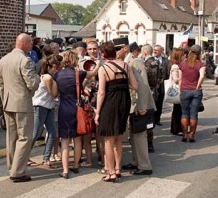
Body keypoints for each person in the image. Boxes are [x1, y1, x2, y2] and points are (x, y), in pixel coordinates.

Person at [0, 33, 40, 183]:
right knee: (24, 137)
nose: (31, 47)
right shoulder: (25, 60)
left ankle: (12, 167)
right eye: (30, 44)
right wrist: (38, 78)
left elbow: (0, 83)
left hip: (8, 102)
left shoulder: (3, 59)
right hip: (22, 103)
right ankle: (18, 171)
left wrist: (4, 100)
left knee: (11, 137)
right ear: (25, 44)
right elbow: (32, 84)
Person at [95, 41, 138, 182]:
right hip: (124, 101)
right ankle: (118, 168)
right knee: (119, 136)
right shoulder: (125, 65)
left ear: (103, 54)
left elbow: (101, 93)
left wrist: (97, 112)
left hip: (110, 103)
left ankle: (111, 172)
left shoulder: (103, 68)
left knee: (108, 139)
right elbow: (135, 86)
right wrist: (122, 86)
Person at [54, 51, 98, 179]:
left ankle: (65, 169)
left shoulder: (58, 75)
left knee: (65, 140)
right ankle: (75, 166)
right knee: (77, 139)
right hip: (77, 108)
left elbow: (55, 93)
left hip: (63, 108)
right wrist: (98, 62)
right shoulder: (79, 74)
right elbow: (93, 73)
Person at [123, 43, 155, 176]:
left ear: (124, 48)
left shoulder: (136, 62)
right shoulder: (128, 61)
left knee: (140, 135)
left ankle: (145, 165)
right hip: (133, 105)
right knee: (134, 135)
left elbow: (143, 84)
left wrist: (142, 105)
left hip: (139, 105)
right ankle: (137, 162)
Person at [30, 55, 60, 168]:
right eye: (55, 67)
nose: (56, 70)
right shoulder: (47, 77)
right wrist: (57, 83)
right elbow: (54, 94)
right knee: (36, 133)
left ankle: (46, 158)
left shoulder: (47, 76)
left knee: (52, 132)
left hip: (49, 106)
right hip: (40, 106)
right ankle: (24, 156)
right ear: (50, 67)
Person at [178, 45, 206, 142]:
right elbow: (202, 76)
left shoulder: (183, 63)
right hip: (196, 91)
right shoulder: (200, 64)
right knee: (194, 113)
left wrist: (180, 89)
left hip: (184, 90)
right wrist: (198, 85)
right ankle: (192, 135)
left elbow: (180, 79)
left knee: (185, 113)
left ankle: (185, 134)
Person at [169, 48, 184, 136]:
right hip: (177, 89)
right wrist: (182, 77)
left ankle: (177, 128)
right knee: (178, 110)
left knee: (178, 109)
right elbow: (175, 79)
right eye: (182, 55)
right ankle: (176, 128)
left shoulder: (178, 65)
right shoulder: (175, 66)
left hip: (179, 89)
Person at [153, 45, 169, 126]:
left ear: (161, 52)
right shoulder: (151, 60)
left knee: (159, 103)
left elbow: (167, 72)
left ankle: (157, 119)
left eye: (157, 50)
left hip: (162, 85)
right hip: (153, 86)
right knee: (153, 102)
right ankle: (152, 119)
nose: (155, 51)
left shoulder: (165, 61)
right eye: (154, 50)